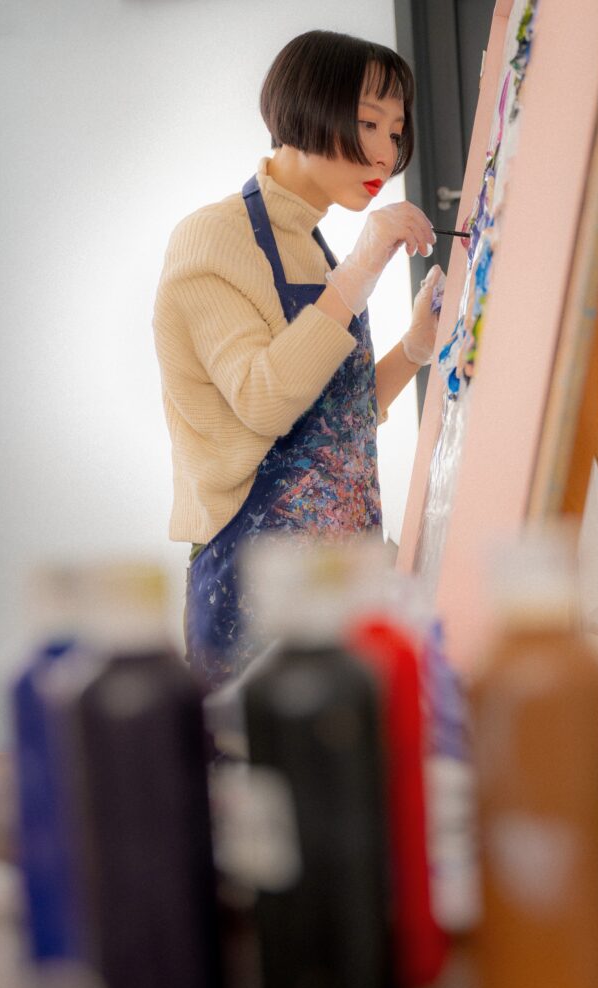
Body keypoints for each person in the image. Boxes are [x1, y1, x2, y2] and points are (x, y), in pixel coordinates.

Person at [153, 29, 443, 689]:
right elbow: (265, 402)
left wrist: (415, 350)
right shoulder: (214, 238)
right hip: (256, 581)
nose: (385, 151)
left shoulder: (313, 246)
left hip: (340, 575)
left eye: (395, 129)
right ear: (302, 108)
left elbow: (332, 424)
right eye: (367, 121)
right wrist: (364, 267)